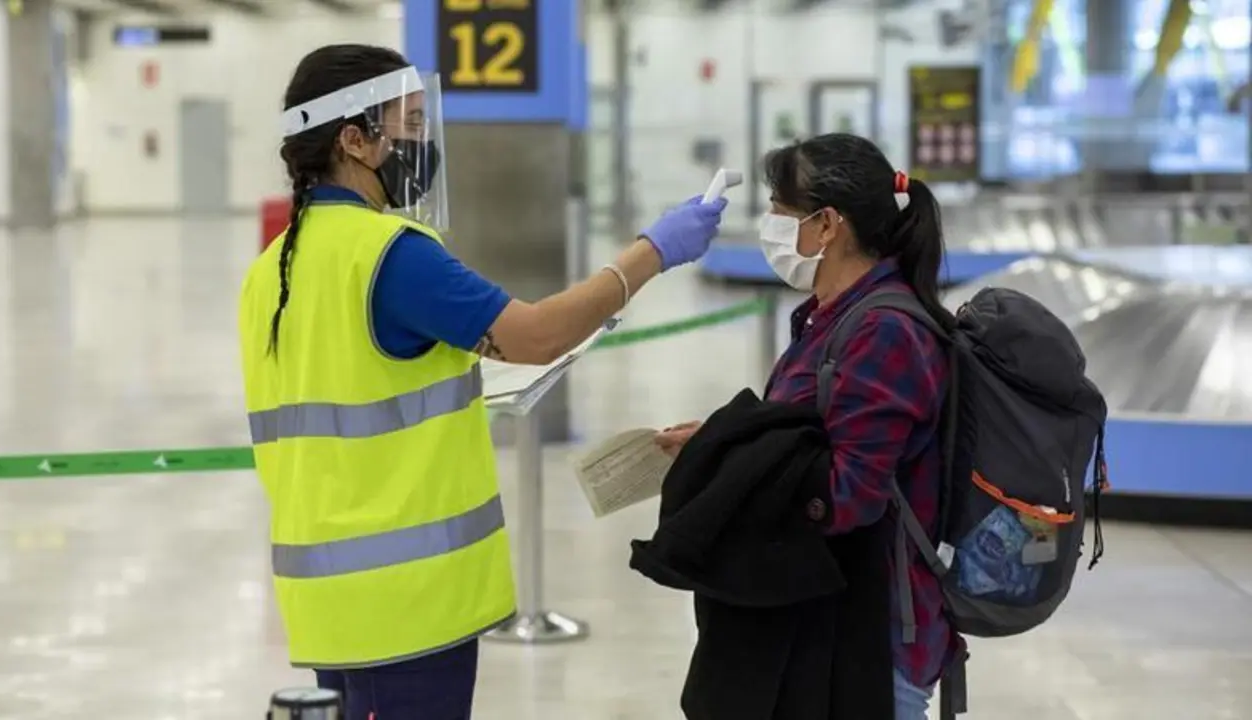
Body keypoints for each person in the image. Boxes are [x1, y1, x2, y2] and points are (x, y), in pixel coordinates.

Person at [237, 44, 728, 720]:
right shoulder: (392, 255)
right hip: (407, 605)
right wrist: (653, 252)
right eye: (407, 124)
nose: (422, 141)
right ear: (353, 139)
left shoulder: (273, 269)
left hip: (331, 598)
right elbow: (534, 335)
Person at [655, 133, 960, 720]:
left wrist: (726, 460)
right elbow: (809, 436)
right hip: (827, 625)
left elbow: (847, 497)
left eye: (780, 209)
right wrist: (720, 440)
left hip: (875, 643)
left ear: (827, 226)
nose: (770, 223)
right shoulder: (831, 317)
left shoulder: (887, 332)